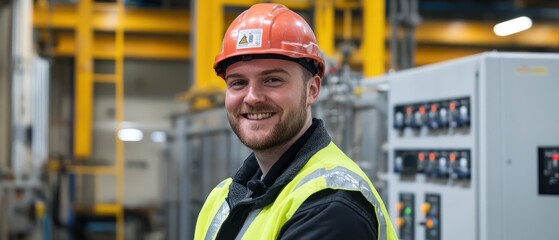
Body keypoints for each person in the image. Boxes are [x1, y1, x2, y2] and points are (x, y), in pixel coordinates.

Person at [194, 3, 397, 240]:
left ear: (312, 90)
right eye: (238, 83)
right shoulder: (224, 197)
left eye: (272, 80)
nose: (252, 97)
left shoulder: (331, 206)